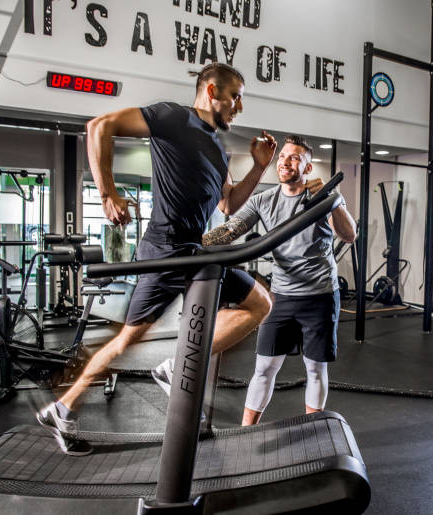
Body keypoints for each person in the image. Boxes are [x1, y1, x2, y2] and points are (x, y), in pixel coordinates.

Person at [37, 62, 277, 455]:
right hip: (166, 249)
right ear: (212, 92)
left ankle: (175, 366)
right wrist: (107, 193)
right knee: (128, 339)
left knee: (259, 303)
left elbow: (229, 203)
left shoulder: (218, 147)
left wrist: (260, 166)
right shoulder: (173, 117)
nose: (239, 106)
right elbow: (100, 126)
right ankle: (63, 407)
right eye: (235, 96)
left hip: (194, 250)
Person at [200, 135, 356, 426]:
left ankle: (313, 430)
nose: (285, 161)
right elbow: (229, 231)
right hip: (281, 296)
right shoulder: (263, 200)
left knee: (315, 369)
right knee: (264, 368)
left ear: (308, 168)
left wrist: (331, 201)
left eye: (294, 157)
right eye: (283, 156)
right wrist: (193, 243)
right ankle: (247, 432)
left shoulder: (326, 197)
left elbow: (349, 234)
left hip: (320, 294)